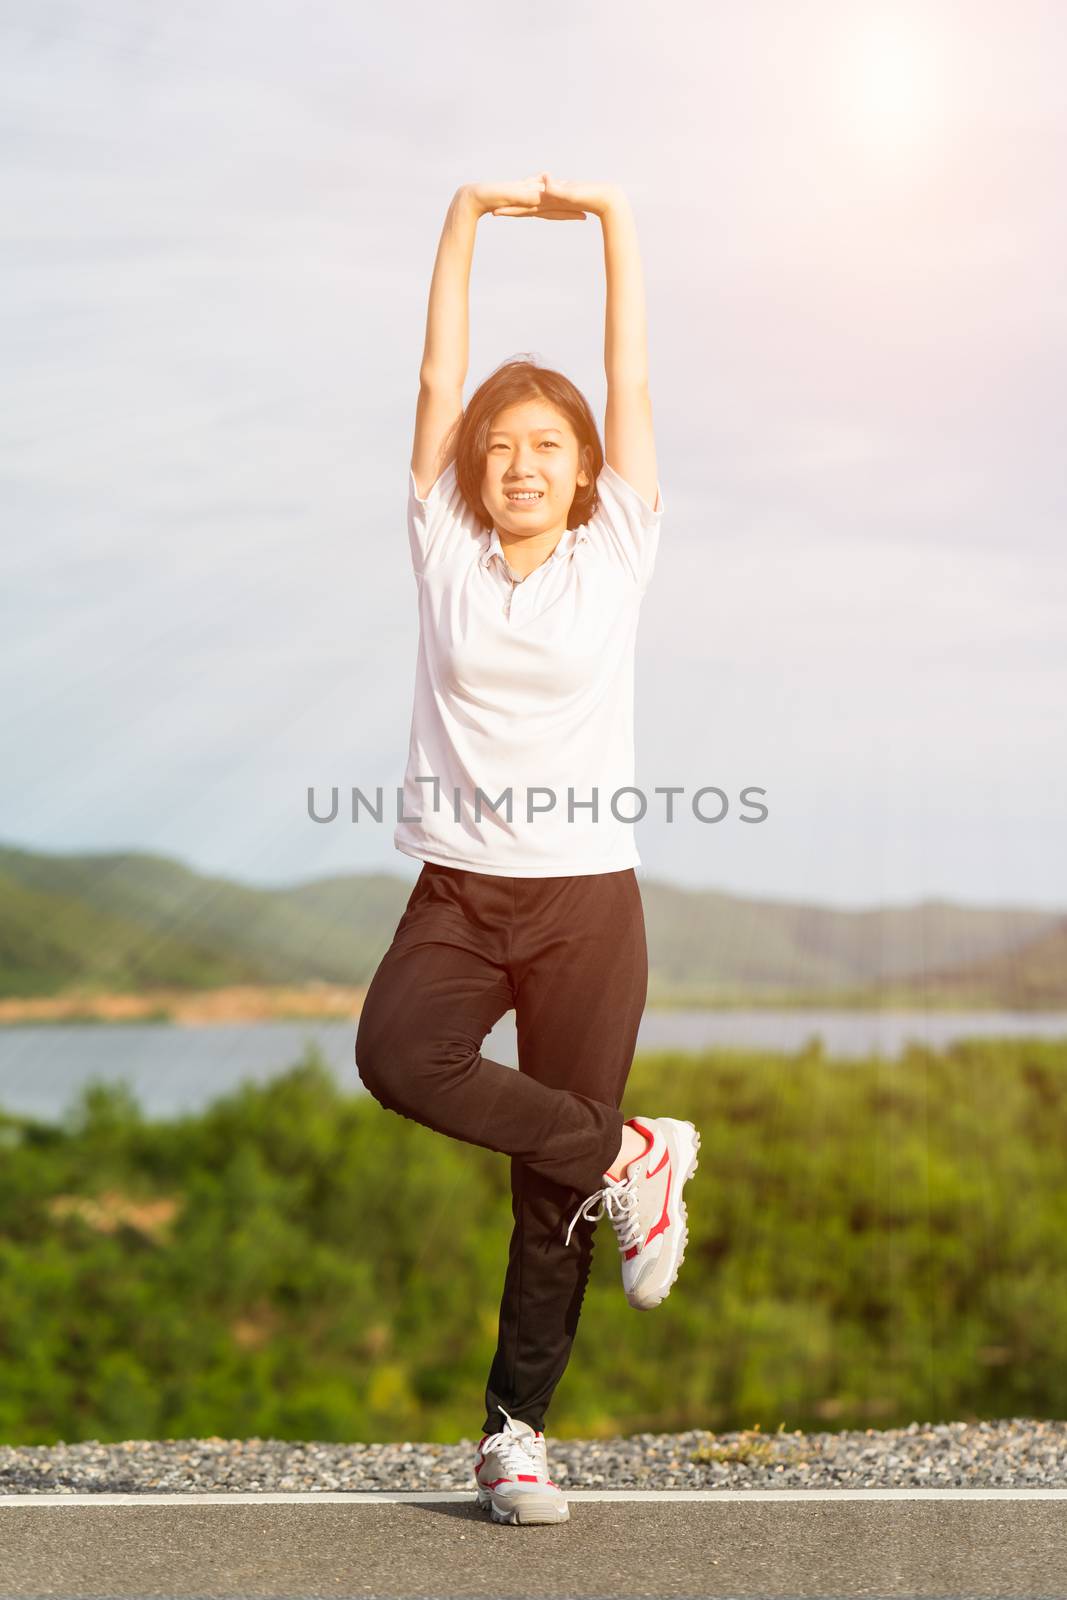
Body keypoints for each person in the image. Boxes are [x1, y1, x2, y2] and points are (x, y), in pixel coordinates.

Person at [355, 173, 700, 1527]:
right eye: (502, 441)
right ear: (471, 466)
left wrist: (614, 218)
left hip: (587, 906)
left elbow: (632, 371)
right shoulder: (440, 545)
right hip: (460, 891)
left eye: (548, 444)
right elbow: (440, 362)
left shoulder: (617, 553)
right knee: (397, 1055)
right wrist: (464, 212)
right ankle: (634, 1153)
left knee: (544, 1187)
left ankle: (516, 1437)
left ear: (584, 469)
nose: (521, 461)